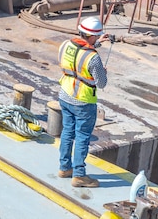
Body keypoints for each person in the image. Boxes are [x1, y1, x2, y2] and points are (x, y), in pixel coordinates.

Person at [57, 16, 110, 188]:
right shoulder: (94, 58)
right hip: (83, 101)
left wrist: (97, 44)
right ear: (92, 36)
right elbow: (101, 83)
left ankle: (64, 168)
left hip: (65, 94)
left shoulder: (65, 44)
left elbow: (79, 54)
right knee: (82, 137)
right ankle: (79, 175)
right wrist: (103, 72)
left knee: (67, 132)